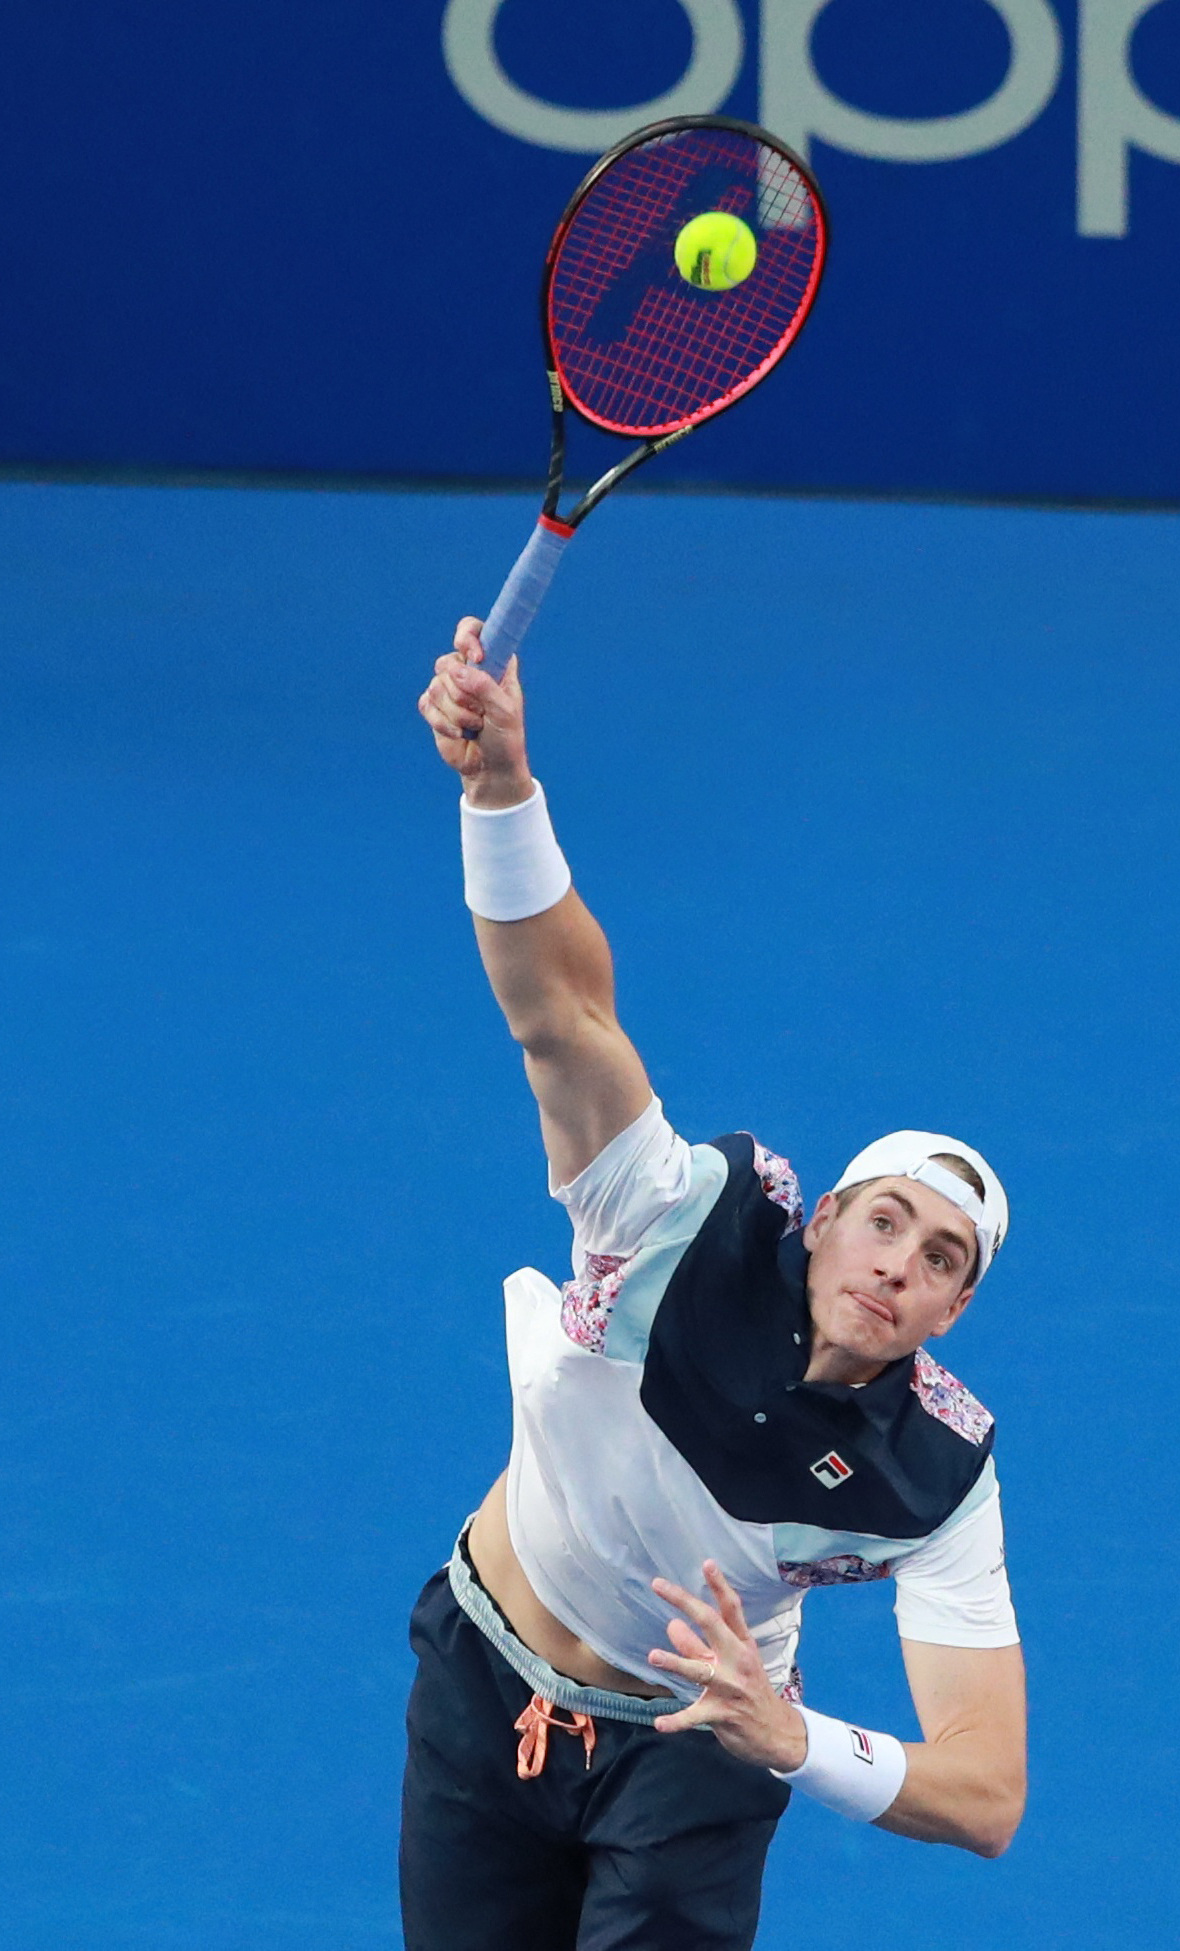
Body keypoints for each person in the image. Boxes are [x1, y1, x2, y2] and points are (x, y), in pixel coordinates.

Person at [404, 619, 1027, 1951]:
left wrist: (793, 1739)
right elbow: (561, 1012)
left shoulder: (934, 1477)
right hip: (482, 1681)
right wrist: (500, 791)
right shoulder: (675, 1215)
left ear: (951, 1314)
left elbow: (986, 1796)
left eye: (940, 1262)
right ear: (821, 1226)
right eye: (883, 1222)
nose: (897, 1265)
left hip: (696, 1756)